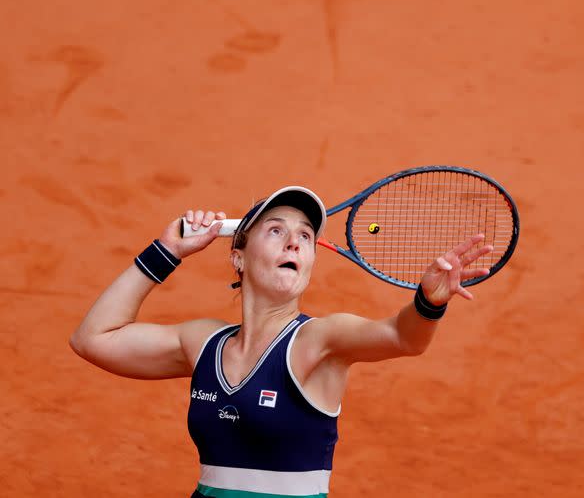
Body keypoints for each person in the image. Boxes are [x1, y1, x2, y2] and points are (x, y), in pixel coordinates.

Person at [70, 186, 493, 497]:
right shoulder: (203, 344)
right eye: (275, 230)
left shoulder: (318, 341)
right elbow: (93, 338)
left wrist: (429, 302)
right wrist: (165, 251)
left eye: (305, 236)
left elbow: (403, 337)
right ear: (239, 255)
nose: (294, 240)